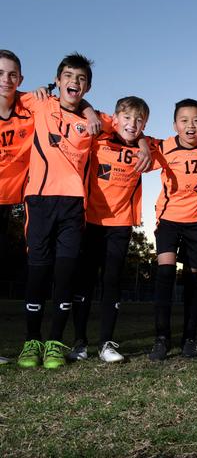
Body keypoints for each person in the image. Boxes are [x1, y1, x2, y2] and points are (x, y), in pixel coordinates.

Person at [16, 53, 112, 369]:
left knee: (65, 274)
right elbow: (10, 95)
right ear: (58, 80)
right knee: (38, 272)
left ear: (87, 87)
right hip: (40, 200)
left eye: (81, 79)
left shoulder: (94, 118)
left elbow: (128, 123)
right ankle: (32, 341)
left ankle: (55, 342)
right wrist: (41, 89)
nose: (74, 82)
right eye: (68, 76)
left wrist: (139, 146)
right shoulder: (40, 102)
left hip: (73, 205)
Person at [67, 96, 152, 363]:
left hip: (121, 223)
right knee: (84, 282)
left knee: (112, 282)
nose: (132, 124)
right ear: (114, 119)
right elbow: (79, 103)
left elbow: (177, 145)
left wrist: (145, 145)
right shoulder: (100, 134)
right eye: (127, 118)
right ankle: (79, 343)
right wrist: (92, 114)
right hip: (90, 220)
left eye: (139, 120)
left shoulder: (144, 147)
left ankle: (106, 344)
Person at [148, 99, 197, 361]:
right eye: (184, 120)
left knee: (192, 280)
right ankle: (161, 339)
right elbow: (142, 144)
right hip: (168, 219)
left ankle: (190, 338)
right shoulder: (164, 147)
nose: (191, 125)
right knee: (165, 275)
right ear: (175, 124)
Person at [0, 50, 33, 365]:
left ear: (20, 80)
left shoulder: (29, 105)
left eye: (11, 74)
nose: (5, 80)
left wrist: (90, 112)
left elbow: (70, 103)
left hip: (10, 201)